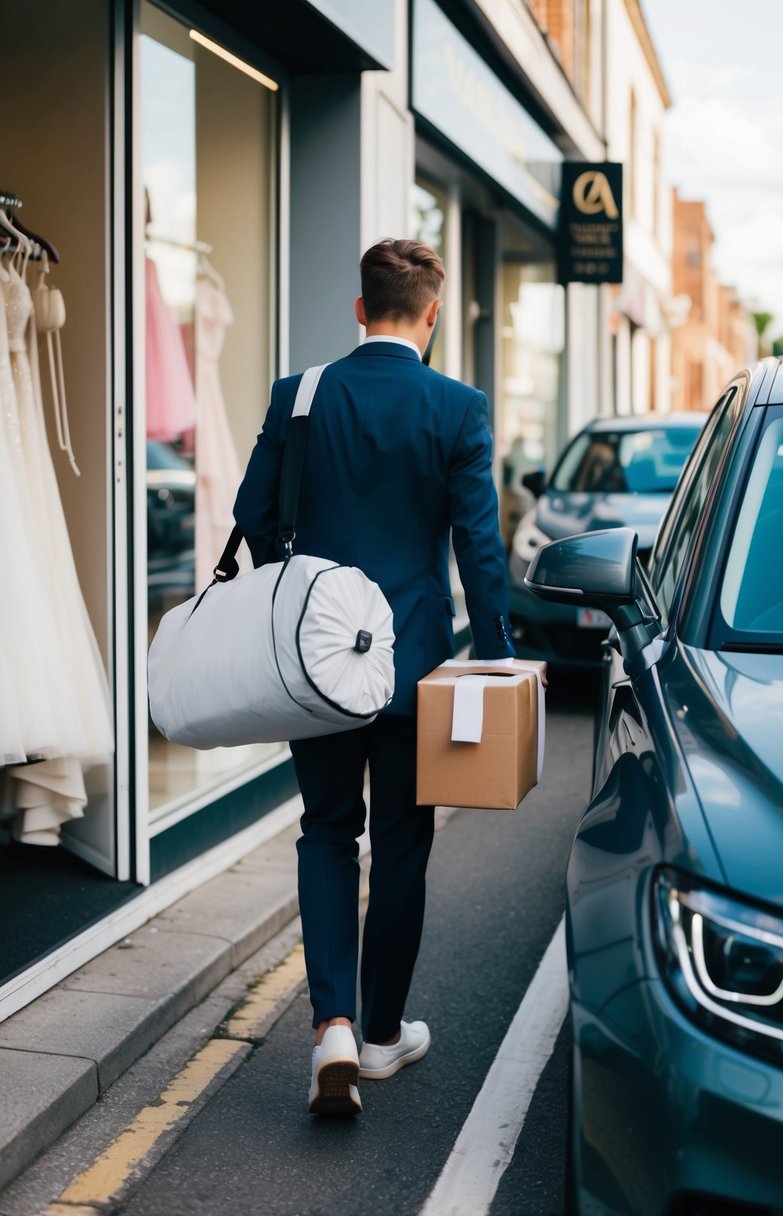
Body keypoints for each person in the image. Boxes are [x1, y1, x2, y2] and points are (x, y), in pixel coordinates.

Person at [233, 238, 515, 1116]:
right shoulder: (458, 408)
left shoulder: (300, 395)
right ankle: (385, 1034)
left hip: (315, 665)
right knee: (400, 843)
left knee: (325, 833)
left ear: (360, 309)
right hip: (411, 664)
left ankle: (332, 1028)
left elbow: (250, 518)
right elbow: (479, 546)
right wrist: (498, 653)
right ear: (431, 313)